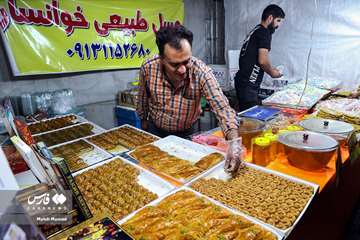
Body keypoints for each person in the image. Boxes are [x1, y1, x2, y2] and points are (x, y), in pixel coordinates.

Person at [137, 25, 243, 173]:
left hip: (186, 133)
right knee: (156, 173)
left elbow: (222, 108)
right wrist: (144, 122)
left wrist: (234, 143)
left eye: (186, 61)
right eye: (174, 64)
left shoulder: (201, 72)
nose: (182, 69)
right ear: (161, 59)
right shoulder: (149, 68)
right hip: (156, 131)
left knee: (184, 173)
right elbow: (142, 97)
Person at [234, 4, 285, 111]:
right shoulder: (264, 32)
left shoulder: (256, 29)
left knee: (245, 114)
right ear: (270, 18)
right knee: (251, 119)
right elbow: (262, 60)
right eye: (278, 21)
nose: (278, 25)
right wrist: (273, 73)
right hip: (248, 85)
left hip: (243, 82)